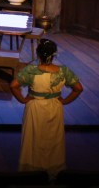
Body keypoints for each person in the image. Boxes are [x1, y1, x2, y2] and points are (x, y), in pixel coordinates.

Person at [10, 38, 84, 179]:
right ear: (54, 55)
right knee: (53, 139)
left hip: (35, 107)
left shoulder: (31, 71)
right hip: (54, 107)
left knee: (33, 138)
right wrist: (65, 101)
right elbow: (78, 88)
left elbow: (13, 85)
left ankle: (31, 173)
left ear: (38, 54)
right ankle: (52, 172)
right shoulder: (63, 71)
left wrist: (23, 100)